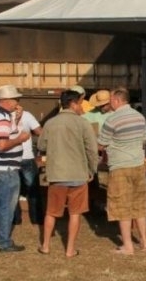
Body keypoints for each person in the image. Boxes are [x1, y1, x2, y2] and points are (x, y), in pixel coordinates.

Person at [37, 89, 99, 257]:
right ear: (73, 104)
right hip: (78, 174)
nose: (81, 107)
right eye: (80, 103)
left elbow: (41, 146)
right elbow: (92, 150)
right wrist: (92, 169)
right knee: (75, 213)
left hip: (57, 174)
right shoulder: (83, 123)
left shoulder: (50, 123)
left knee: (51, 212)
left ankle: (46, 246)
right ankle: (70, 250)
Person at [97, 87, 146, 254]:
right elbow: (144, 140)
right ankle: (144, 242)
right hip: (138, 164)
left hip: (120, 166)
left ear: (117, 100)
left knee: (121, 205)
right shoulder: (140, 117)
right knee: (139, 203)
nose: (109, 103)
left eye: (111, 100)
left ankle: (128, 246)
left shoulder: (112, 119)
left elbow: (101, 144)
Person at [0, 85, 31, 253]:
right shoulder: (3, 117)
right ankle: (4, 242)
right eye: (16, 100)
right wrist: (21, 139)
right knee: (7, 206)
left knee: (0, 203)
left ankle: (2, 237)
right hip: (7, 167)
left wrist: (16, 120)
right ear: (8, 100)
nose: (17, 103)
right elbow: (3, 145)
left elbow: (3, 134)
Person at [12, 105, 44, 226]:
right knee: (33, 189)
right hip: (26, 156)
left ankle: (15, 218)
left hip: (10, 158)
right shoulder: (27, 115)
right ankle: (36, 218)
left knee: (13, 190)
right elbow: (39, 131)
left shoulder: (3, 116)